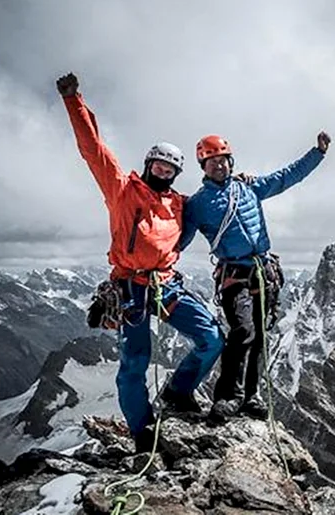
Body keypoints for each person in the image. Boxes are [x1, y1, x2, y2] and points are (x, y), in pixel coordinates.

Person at [56, 72, 224, 452]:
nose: (163, 172)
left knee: (212, 338)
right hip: (131, 286)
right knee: (135, 363)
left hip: (166, 284)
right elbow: (92, 149)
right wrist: (73, 101)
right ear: (148, 163)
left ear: (176, 174)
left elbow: (214, 199)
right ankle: (142, 432)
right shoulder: (122, 189)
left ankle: (177, 393)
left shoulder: (178, 203)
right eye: (159, 166)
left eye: (170, 170)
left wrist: (236, 181)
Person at [179, 131, 330, 421]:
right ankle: (227, 397)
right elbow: (181, 240)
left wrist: (317, 153)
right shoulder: (197, 205)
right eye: (211, 162)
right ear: (203, 168)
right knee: (242, 332)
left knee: (259, 337)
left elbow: (286, 177)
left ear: (230, 162)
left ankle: (251, 396)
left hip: (263, 272)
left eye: (222, 160)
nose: (218, 166)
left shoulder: (248, 188)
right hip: (234, 274)